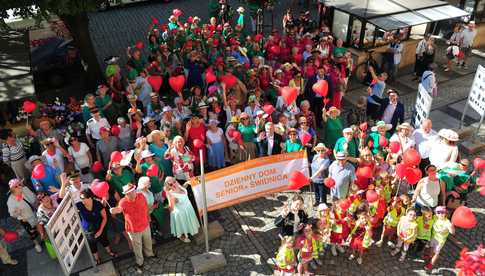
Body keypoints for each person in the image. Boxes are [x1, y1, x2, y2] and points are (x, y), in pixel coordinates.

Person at [110, 183, 155, 274]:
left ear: (135, 190)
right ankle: (140, 262)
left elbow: (146, 207)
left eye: (132, 191)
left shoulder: (141, 196)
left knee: (148, 241)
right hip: (133, 229)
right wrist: (114, 210)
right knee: (137, 247)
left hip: (145, 224)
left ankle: (149, 254)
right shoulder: (123, 202)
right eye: (128, 193)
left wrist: (148, 217)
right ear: (125, 194)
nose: (131, 193)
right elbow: (119, 209)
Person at [77, 189, 117, 264]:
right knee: (92, 245)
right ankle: (97, 258)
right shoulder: (79, 205)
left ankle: (109, 251)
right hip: (88, 231)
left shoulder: (97, 204)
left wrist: (100, 230)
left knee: (104, 240)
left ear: (90, 198)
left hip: (100, 228)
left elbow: (105, 218)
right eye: (80, 198)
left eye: (83, 198)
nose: (81, 200)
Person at [7, 178, 43, 253]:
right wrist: (17, 212)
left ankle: (44, 238)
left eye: (19, 184)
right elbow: (12, 214)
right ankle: (36, 244)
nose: (19, 186)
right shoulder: (10, 200)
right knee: (31, 232)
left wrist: (36, 201)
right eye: (16, 186)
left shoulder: (25, 189)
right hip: (25, 218)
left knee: (40, 226)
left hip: (35, 212)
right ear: (12, 190)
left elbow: (33, 198)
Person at [164, 177, 200, 242]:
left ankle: (190, 230)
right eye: (171, 184)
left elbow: (183, 188)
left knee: (188, 223)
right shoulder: (171, 194)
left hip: (188, 209)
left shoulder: (179, 186)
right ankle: (181, 237)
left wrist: (187, 183)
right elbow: (171, 207)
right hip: (181, 213)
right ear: (168, 186)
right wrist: (171, 200)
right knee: (181, 226)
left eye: (174, 181)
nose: (174, 184)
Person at [424, 206, 455, 271]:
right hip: (433, 237)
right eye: (438, 212)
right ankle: (430, 257)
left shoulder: (447, 222)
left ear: (445, 213)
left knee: (436, 253)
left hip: (440, 241)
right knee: (431, 248)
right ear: (436, 213)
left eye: (442, 212)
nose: (440, 214)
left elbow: (452, 232)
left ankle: (431, 264)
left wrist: (452, 227)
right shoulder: (435, 217)